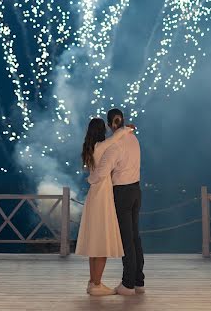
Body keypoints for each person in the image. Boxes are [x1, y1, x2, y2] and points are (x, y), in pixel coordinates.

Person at [88, 108, 145, 296]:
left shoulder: (114, 146)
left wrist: (91, 179)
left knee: (126, 240)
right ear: (122, 121)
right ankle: (138, 281)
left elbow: (102, 173)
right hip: (136, 190)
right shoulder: (133, 138)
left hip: (122, 192)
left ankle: (127, 284)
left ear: (109, 123)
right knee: (135, 237)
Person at [75, 117, 134, 296]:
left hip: (93, 195)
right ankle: (97, 284)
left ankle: (93, 282)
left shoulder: (89, 148)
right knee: (101, 240)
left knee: (95, 240)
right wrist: (127, 129)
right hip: (102, 194)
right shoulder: (102, 146)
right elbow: (115, 139)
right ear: (103, 130)